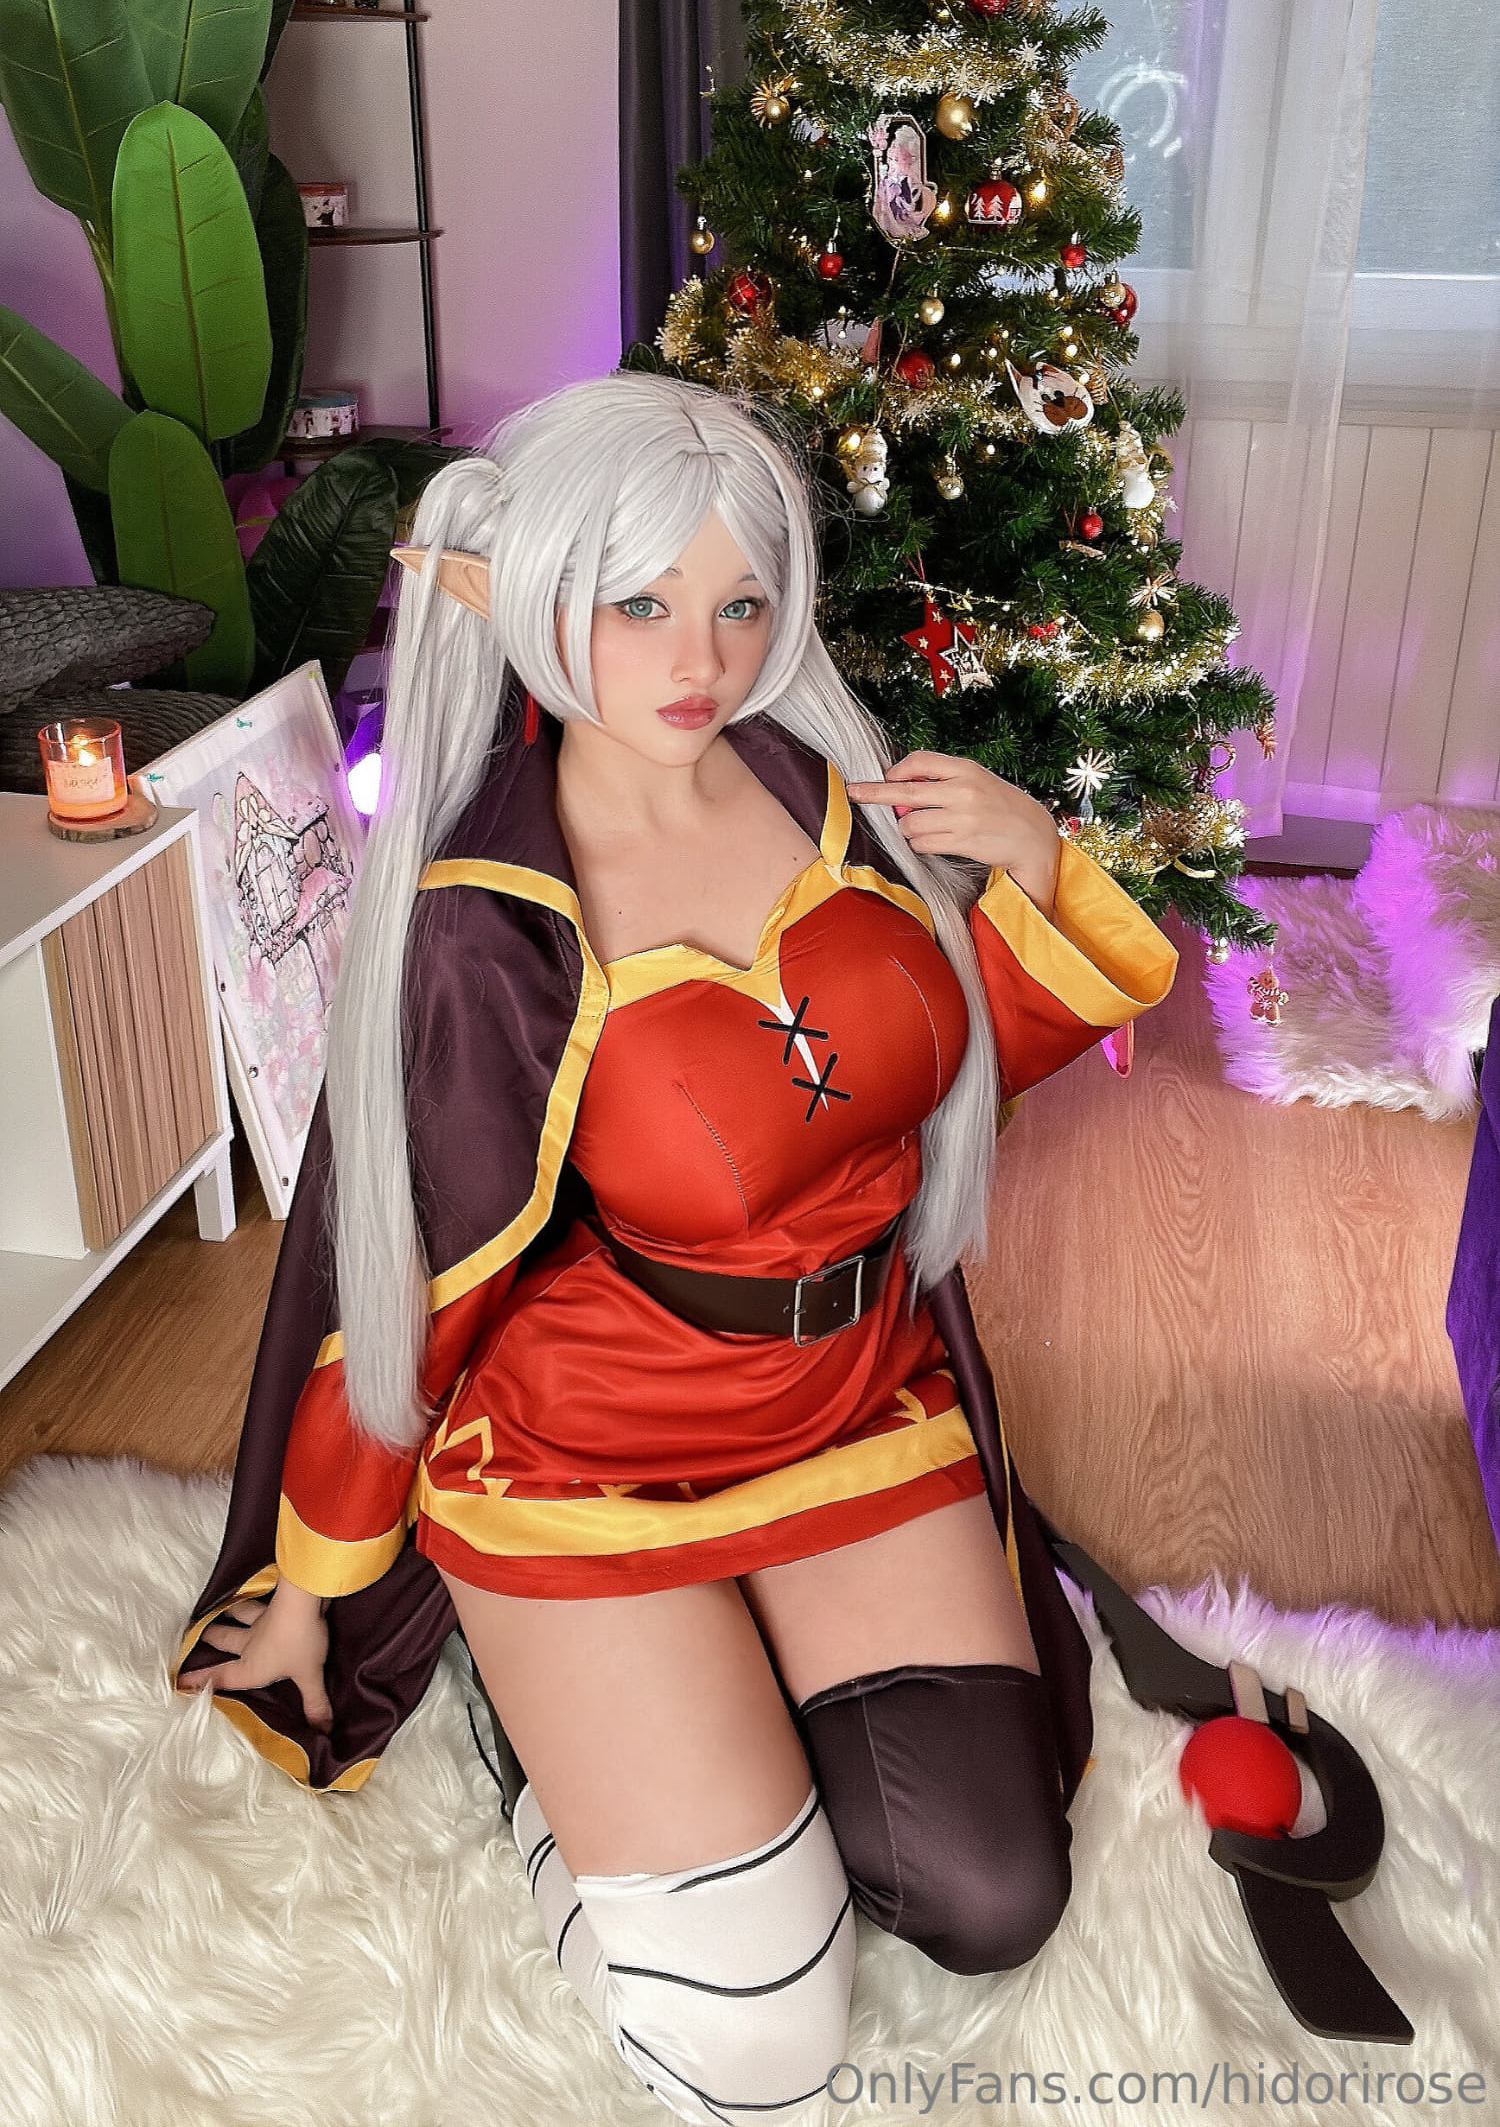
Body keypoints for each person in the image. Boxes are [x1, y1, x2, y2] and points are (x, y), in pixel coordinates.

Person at [175, 373, 1177, 2123]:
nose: (700, 658)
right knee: (761, 2048)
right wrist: (318, 1585)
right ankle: (537, 1733)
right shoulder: (492, 922)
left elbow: (931, 1077)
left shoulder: (829, 790)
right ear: (525, 595)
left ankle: (708, 1717)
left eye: (739, 600)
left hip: (857, 1404)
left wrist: (1037, 865)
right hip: (590, 1454)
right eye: (638, 603)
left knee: (991, 1896)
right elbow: (418, 1287)